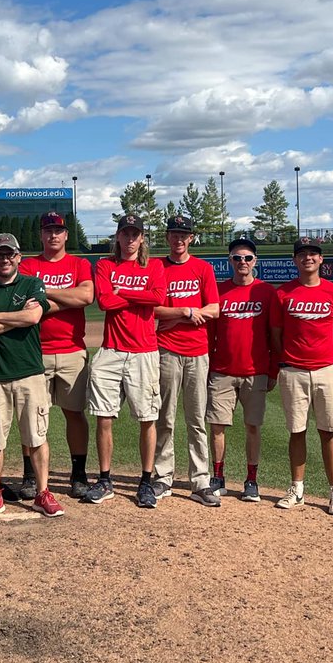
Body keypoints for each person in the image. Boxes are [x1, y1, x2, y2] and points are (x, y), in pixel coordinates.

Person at [0, 233, 64, 519]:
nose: (5, 259)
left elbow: (33, 318)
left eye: (10, 254)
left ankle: (43, 492)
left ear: (19, 257)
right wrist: (11, 317)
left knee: (36, 436)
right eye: (0, 254)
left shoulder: (32, 284)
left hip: (29, 373)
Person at [84, 214, 167, 509]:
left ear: (142, 238)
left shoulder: (154, 265)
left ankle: (146, 481)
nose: (130, 239)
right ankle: (105, 479)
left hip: (144, 350)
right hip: (110, 350)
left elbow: (158, 297)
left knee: (148, 417)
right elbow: (104, 302)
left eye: (135, 234)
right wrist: (137, 296)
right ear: (117, 237)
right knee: (103, 417)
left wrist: (125, 293)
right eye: (125, 234)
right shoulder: (106, 265)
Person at [18, 211, 95, 499]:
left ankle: (78, 473)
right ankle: (29, 475)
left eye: (58, 231)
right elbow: (26, 307)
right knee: (31, 417)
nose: (53, 235)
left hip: (72, 351)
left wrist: (45, 292)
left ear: (66, 235)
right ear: (41, 234)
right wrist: (68, 297)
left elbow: (86, 297)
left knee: (75, 413)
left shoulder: (79, 263)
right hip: (33, 353)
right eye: (48, 230)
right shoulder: (27, 265)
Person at [271, 237, 333, 516]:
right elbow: (277, 334)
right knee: (296, 431)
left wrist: (327, 359)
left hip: (326, 370)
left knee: (328, 433)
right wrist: (288, 362)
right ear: (295, 260)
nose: (308, 258)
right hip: (293, 371)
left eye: (313, 253)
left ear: (321, 259)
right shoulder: (283, 293)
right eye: (302, 253)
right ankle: (297, 488)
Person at [151, 215, 220, 506]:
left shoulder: (202, 268)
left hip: (197, 353)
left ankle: (200, 480)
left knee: (196, 419)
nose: (179, 239)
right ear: (167, 237)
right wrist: (189, 313)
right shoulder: (157, 267)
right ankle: (163, 477)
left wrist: (178, 312)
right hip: (166, 349)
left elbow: (214, 309)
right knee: (164, 416)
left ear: (191, 238)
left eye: (184, 235)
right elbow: (153, 309)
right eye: (174, 234)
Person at [207, 237, 278, 503]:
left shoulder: (267, 292)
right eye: (237, 258)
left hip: (255, 371)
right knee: (217, 426)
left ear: (255, 261)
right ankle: (218, 476)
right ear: (230, 261)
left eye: (247, 258)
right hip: (222, 370)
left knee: (252, 426)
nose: (242, 263)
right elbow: (209, 334)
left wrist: (272, 371)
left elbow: (274, 336)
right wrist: (208, 368)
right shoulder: (218, 291)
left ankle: (251, 480)